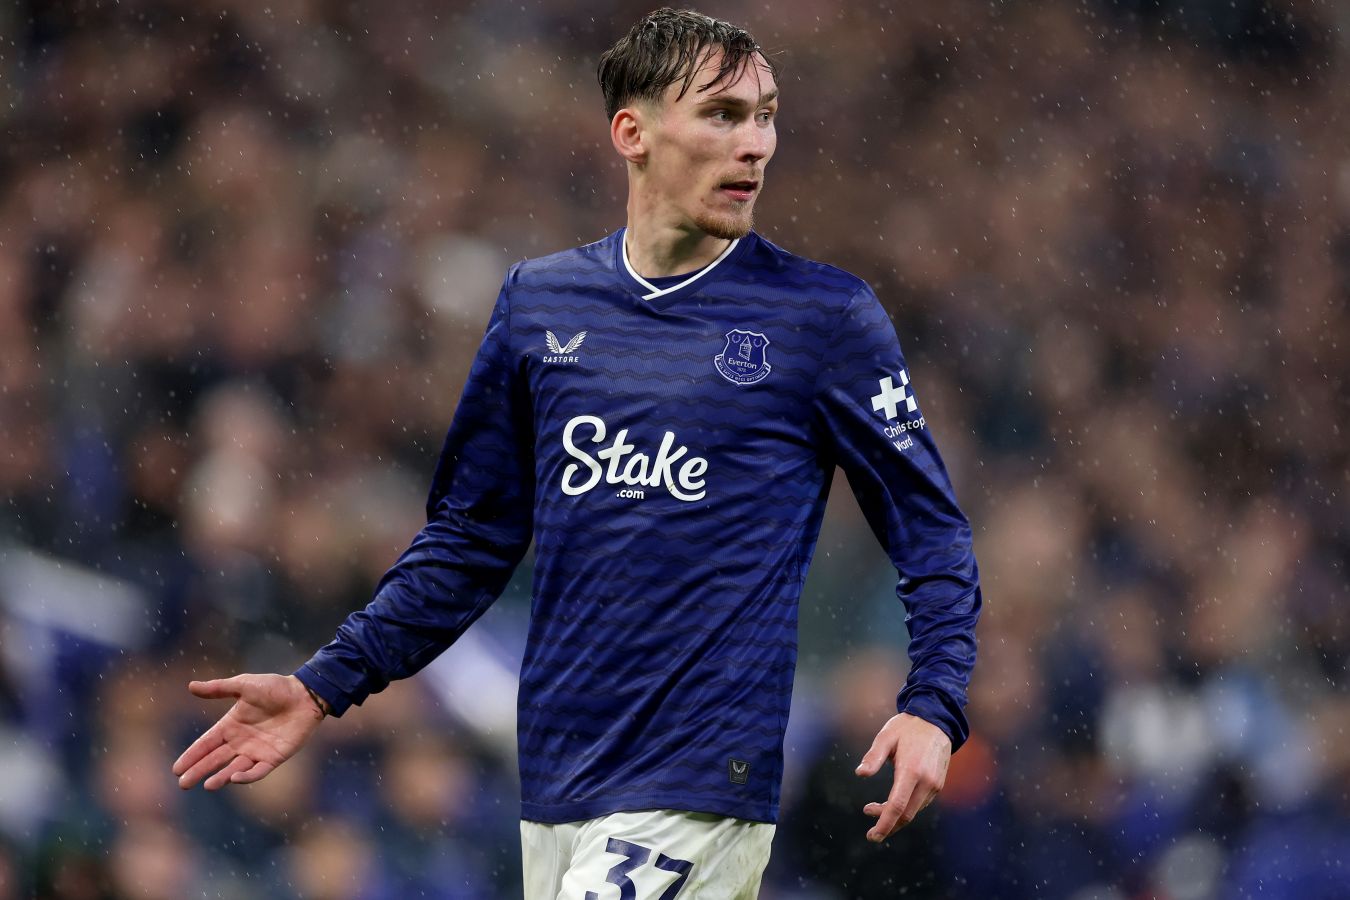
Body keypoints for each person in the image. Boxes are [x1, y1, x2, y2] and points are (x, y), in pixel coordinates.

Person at [173, 8, 981, 897]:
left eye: (765, 116)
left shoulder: (822, 318)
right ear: (632, 133)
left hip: (700, 782)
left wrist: (933, 703)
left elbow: (931, 530)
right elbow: (469, 541)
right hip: (558, 781)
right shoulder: (540, 305)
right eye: (722, 115)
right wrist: (323, 685)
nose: (755, 143)